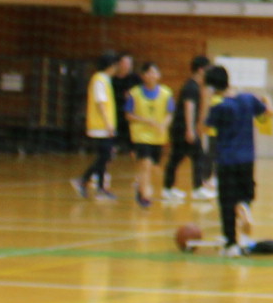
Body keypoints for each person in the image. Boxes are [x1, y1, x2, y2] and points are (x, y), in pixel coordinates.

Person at [203, 63, 273, 254]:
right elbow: (268, 112)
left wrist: (206, 102)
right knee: (245, 195)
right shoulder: (248, 99)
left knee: (226, 203)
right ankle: (244, 227)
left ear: (211, 87)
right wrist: (268, 100)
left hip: (227, 159)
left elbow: (204, 128)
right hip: (247, 158)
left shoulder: (220, 107)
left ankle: (231, 243)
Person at [74, 50, 130, 201]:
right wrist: (108, 124)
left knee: (104, 157)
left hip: (104, 126)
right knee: (105, 156)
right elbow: (100, 104)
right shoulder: (99, 79)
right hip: (101, 127)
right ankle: (88, 182)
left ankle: (93, 185)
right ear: (111, 65)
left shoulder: (104, 79)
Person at [163, 55, 212, 205]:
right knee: (198, 156)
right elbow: (188, 107)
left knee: (177, 158)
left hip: (182, 128)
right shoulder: (191, 87)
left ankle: (168, 188)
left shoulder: (195, 86)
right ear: (201, 69)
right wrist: (190, 129)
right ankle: (197, 189)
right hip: (182, 129)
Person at [124, 60, 172, 209]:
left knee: (152, 166)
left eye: (155, 72)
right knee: (145, 164)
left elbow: (169, 113)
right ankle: (145, 194)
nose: (152, 75)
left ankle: (140, 186)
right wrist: (145, 120)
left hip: (158, 137)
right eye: (149, 72)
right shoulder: (135, 93)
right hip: (141, 136)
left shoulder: (166, 93)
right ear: (143, 76)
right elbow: (128, 115)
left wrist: (163, 124)